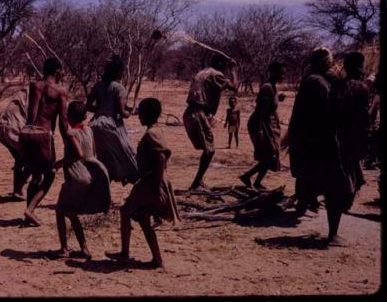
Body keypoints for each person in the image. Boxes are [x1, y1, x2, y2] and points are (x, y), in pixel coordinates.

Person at [288, 47, 354, 245]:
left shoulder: (313, 80)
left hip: (308, 140)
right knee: (333, 183)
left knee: (308, 176)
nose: (333, 62)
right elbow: (326, 111)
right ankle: (331, 233)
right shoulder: (317, 82)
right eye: (330, 59)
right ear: (324, 62)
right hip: (316, 141)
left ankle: (303, 206)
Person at [105, 98, 181, 269]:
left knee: (125, 212)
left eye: (141, 113)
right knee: (143, 218)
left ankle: (125, 254)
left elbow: (161, 158)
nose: (139, 116)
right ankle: (157, 259)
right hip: (149, 179)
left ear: (146, 115)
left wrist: (154, 187)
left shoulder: (151, 134)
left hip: (151, 182)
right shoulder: (156, 131)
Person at [52, 101, 111, 259]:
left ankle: (64, 249)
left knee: (60, 211)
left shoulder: (72, 133)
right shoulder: (89, 130)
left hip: (78, 174)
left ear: (70, 116)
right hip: (92, 172)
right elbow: (92, 152)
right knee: (71, 213)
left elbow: (78, 154)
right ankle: (84, 248)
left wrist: (59, 163)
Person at [19, 57, 68, 227]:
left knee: (35, 173)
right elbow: (63, 121)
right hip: (44, 135)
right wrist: (69, 141)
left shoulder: (35, 85)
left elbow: (31, 114)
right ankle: (30, 210)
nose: (63, 73)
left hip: (28, 133)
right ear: (56, 72)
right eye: (62, 70)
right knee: (50, 175)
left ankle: (27, 216)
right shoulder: (60, 91)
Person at [183, 53, 238, 191]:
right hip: (197, 113)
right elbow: (235, 87)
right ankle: (196, 183)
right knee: (210, 150)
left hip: (191, 112)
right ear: (220, 65)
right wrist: (233, 69)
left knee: (207, 149)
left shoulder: (202, 72)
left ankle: (198, 181)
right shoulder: (216, 74)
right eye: (225, 66)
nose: (225, 69)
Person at [86, 55, 138, 184]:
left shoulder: (98, 85)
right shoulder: (119, 88)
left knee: (104, 156)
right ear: (118, 71)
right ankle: (129, 176)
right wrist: (129, 113)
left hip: (95, 124)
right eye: (121, 70)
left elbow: (88, 106)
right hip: (111, 125)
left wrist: (100, 111)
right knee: (127, 153)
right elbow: (121, 111)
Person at [240, 61, 286, 190]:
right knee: (270, 154)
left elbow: (270, 106)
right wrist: (260, 130)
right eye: (281, 73)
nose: (283, 76)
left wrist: (278, 99)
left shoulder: (272, 87)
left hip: (267, 124)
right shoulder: (267, 87)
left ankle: (255, 181)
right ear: (274, 72)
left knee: (270, 154)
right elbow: (261, 110)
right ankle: (248, 176)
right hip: (260, 124)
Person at [331, 52, 370, 194]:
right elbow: (365, 118)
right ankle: (348, 193)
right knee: (351, 167)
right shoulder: (362, 88)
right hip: (354, 136)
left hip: (338, 136)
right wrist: (366, 139)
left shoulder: (337, 85)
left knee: (343, 168)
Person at [0, 86, 31, 200]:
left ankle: (17, 191)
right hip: (14, 130)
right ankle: (19, 188)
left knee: (20, 160)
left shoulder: (21, 94)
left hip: (3, 129)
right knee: (32, 160)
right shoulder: (33, 95)